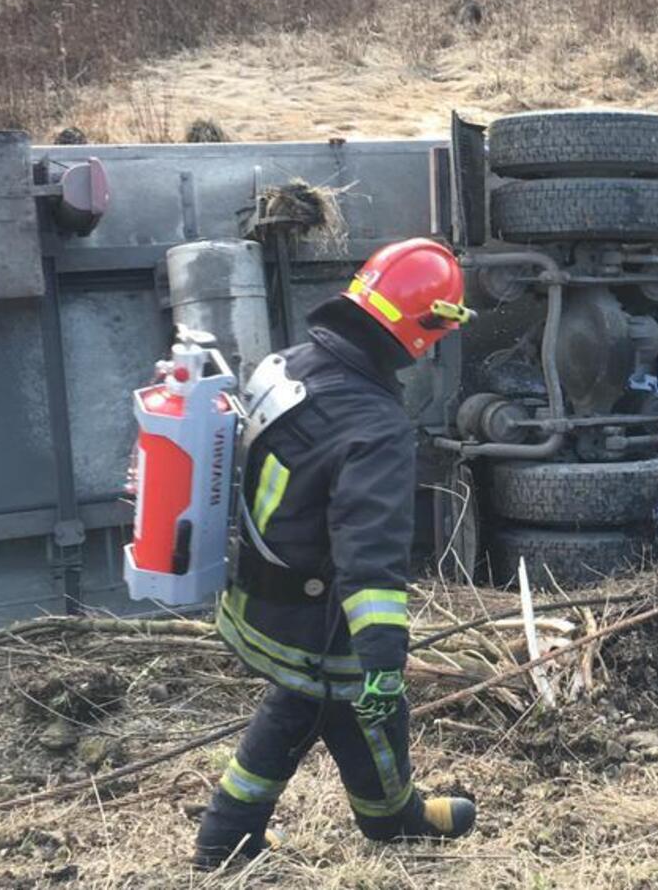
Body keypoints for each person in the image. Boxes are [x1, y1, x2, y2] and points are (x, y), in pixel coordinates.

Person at [193, 237, 479, 870]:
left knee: (308, 703)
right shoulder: (374, 424)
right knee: (361, 703)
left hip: (257, 594)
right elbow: (369, 551)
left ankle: (254, 830)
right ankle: (377, 821)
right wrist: (384, 658)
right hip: (312, 615)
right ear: (428, 328)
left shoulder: (295, 364)